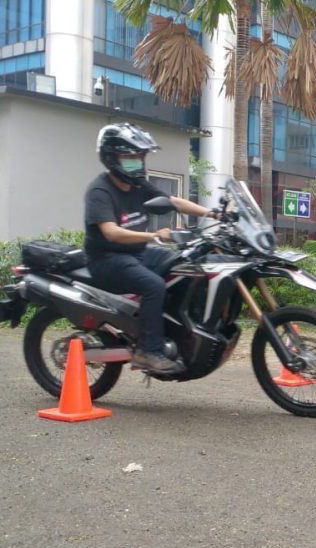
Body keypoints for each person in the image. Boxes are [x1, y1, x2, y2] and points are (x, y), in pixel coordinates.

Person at [84, 123, 220, 374]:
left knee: (183, 266)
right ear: (111, 158)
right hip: (107, 259)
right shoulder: (100, 191)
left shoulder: (139, 186)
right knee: (153, 285)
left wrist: (213, 213)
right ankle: (148, 352)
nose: (137, 162)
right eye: (130, 157)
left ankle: (175, 332)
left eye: (140, 156)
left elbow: (172, 202)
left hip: (137, 254)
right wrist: (154, 236)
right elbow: (111, 232)